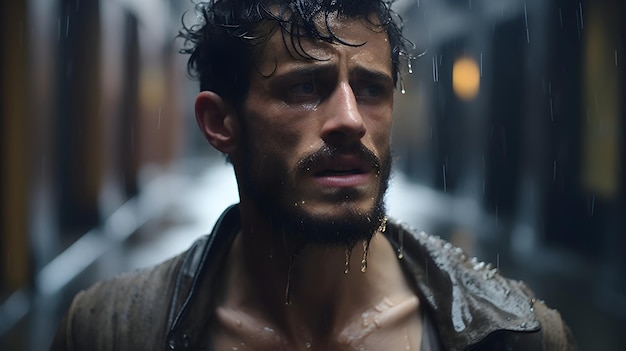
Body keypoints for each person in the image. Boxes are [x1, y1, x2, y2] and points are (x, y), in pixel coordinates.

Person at [51, 0, 576, 350]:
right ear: (220, 123)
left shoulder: (517, 334)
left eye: (371, 90)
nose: (350, 119)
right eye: (305, 88)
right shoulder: (109, 330)